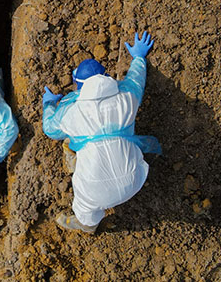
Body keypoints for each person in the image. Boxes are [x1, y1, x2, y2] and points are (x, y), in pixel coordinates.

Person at [42, 31, 161, 233]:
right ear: (105, 76)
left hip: (96, 194)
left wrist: (49, 105)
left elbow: (50, 129)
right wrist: (139, 57)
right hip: (135, 180)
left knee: (69, 144)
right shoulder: (126, 97)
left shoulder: (72, 113)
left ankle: (86, 224)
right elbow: (136, 80)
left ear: (77, 83)